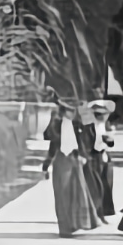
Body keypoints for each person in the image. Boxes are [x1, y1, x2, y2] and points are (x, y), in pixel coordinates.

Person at [41, 97, 102, 237]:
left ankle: (76, 223)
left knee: (77, 192)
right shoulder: (56, 125)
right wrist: (46, 164)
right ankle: (64, 227)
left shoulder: (77, 125)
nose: (72, 113)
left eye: (73, 110)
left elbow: (83, 142)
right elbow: (51, 143)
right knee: (62, 193)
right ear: (64, 111)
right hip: (62, 160)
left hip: (75, 159)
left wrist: (84, 156)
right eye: (69, 110)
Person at [85, 98, 119, 220]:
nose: (102, 117)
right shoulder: (89, 127)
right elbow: (89, 144)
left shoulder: (108, 126)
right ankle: (96, 212)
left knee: (107, 184)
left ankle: (105, 211)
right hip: (94, 157)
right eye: (98, 114)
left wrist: (110, 140)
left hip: (105, 157)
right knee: (95, 186)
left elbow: (111, 144)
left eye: (104, 114)